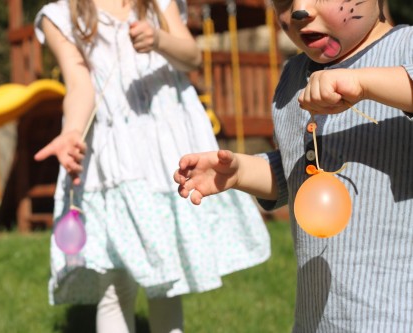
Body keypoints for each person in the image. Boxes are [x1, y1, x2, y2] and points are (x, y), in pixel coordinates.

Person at [174, 0, 413, 332]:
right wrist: (241, 172)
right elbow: (298, 169)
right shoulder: (293, 78)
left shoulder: (406, 48)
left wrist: (362, 83)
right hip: (320, 317)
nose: (300, 10)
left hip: (398, 314)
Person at [33, 0, 271, 332]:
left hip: (166, 150)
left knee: (167, 280)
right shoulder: (60, 16)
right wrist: (72, 131)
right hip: (115, 156)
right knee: (114, 283)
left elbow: (190, 57)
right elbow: (79, 85)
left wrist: (159, 40)